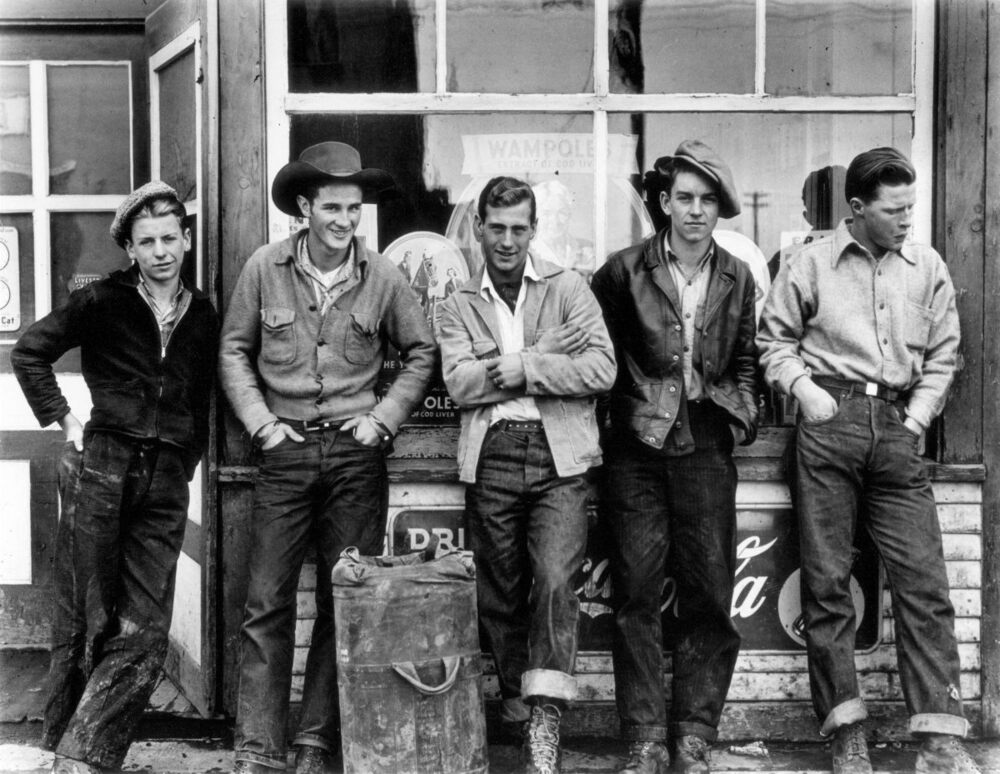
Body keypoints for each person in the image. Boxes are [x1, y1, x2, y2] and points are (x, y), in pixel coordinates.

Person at [756, 147, 979, 774]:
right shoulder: (810, 263)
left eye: (911, 206)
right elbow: (772, 342)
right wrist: (809, 395)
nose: (908, 219)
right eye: (894, 209)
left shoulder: (926, 265)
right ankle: (845, 732)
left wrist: (915, 419)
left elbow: (944, 354)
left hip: (899, 429)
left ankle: (939, 739)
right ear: (856, 209)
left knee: (925, 585)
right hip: (830, 426)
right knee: (827, 585)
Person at [219, 142, 435, 774]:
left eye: (354, 208)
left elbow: (422, 352)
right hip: (283, 453)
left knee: (346, 601)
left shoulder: (384, 278)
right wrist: (261, 425)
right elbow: (234, 350)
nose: (345, 220)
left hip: (354, 456)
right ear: (305, 209)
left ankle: (316, 742)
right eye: (332, 207)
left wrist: (382, 419)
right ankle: (260, 749)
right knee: (267, 601)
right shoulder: (265, 267)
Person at [11, 182, 219, 774]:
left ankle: (86, 757)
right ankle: (62, 747)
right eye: (146, 241)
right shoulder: (102, 300)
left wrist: (184, 465)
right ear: (130, 248)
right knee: (87, 617)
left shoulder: (201, 312)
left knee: (145, 627)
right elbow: (30, 352)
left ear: (185, 239)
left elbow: (200, 398)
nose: (160, 252)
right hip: (102, 467)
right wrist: (69, 425)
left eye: (169, 239)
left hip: (165, 481)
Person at [590, 140, 759, 774]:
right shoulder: (622, 270)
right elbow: (600, 362)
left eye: (706, 200)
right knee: (634, 591)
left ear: (719, 209)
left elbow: (745, 359)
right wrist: (615, 428)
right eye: (683, 198)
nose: (694, 211)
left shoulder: (738, 275)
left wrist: (740, 414)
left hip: (706, 446)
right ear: (664, 203)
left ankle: (693, 735)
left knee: (710, 592)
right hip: (636, 450)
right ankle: (642, 738)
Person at [437, 176, 616, 774]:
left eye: (520, 228)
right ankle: (517, 695)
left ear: (534, 230)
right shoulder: (458, 301)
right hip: (491, 454)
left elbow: (601, 368)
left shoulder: (569, 289)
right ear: (479, 229)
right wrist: (542, 354)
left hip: (559, 456)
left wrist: (520, 364)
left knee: (555, 580)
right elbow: (459, 384)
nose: (508, 240)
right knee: (498, 592)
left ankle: (544, 715)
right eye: (498, 227)